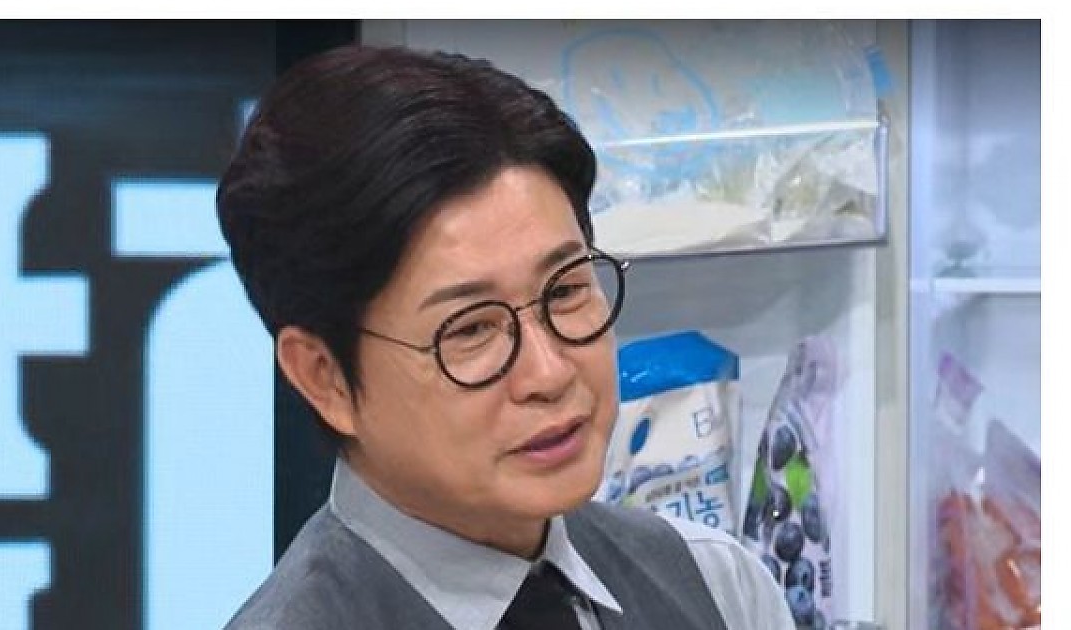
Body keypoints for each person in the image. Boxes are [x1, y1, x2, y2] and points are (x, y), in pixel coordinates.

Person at [216, 44, 795, 630]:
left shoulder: (719, 588)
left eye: (565, 290)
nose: (550, 372)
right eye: (470, 329)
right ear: (324, 377)